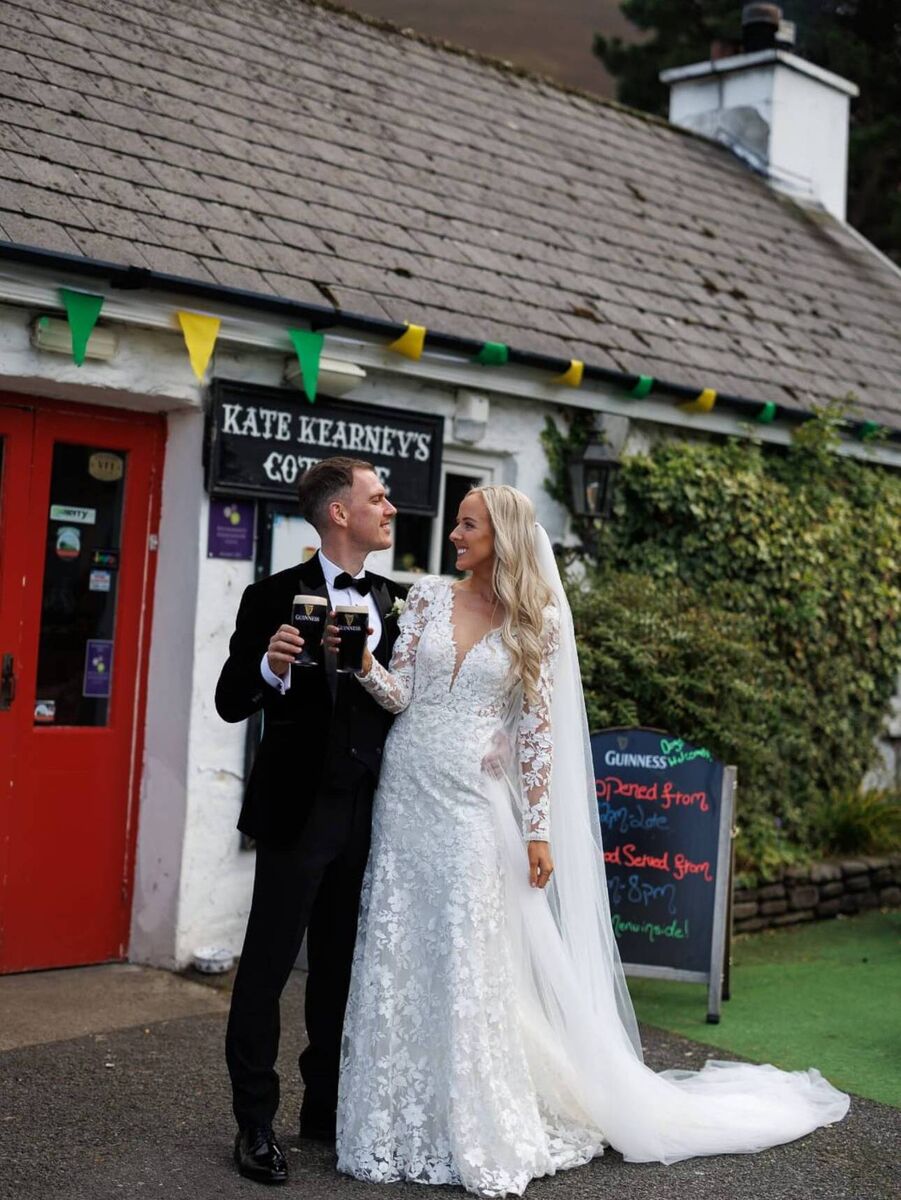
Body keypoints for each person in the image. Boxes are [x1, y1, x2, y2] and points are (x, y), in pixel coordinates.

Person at [336, 484, 849, 1198]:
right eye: (456, 523)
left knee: (465, 949)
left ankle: (473, 1120)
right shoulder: (424, 599)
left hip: (471, 805)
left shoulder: (537, 621)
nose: (454, 534)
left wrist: (538, 831)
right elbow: (403, 697)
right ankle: (395, 1121)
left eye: (467, 524)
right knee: (399, 943)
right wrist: (363, 664)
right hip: (406, 789)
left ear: (502, 535)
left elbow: (536, 732)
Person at [215, 456, 406, 1185]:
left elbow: (413, 705)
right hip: (296, 813)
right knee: (266, 970)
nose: (389, 509)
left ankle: (324, 1110)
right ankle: (255, 1124)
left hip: (373, 814)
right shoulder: (270, 595)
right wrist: (271, 665)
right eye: (377, 498)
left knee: (341, 971)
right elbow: (230, 701)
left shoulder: (397, 602)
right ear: (339, 512)